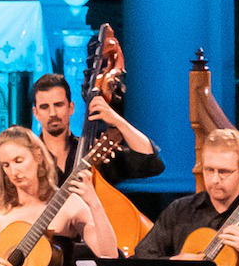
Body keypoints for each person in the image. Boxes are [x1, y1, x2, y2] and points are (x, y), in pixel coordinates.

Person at [0, 126, 118, 266]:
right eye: (6, 165)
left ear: (38, 155)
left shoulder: (69, 203)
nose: (13, 171)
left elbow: (108, 254)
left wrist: (94, 203)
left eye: (19, 161)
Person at [130, 129, 239, 266]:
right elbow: (139, 260)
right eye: (209, 170)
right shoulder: (179, 210)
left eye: (224, 172)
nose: (215, 179)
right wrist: (173, 264)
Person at [29, 72, 163, 186]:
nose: (52, 113)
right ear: (35, 113)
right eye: (44, 107)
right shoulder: (28, 158)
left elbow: (151, 163)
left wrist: (117, 120)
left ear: (71, 108)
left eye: (58, 105)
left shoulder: (95, 152)